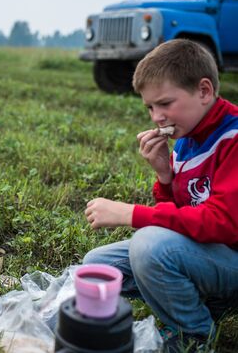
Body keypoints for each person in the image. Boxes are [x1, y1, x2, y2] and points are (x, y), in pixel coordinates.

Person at [83, 39, 238, 350]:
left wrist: (131, 214)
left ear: (204, 91)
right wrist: (164, 175)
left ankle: (193, 336)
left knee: (149, 247)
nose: (156, 117)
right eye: (150, 107)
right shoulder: (187, 136)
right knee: (96, 265)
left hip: (231, 256)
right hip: (206, 253)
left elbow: (223, 223)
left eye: (165, 103)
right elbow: (180, 216)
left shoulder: (232, 138)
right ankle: (204, 298)